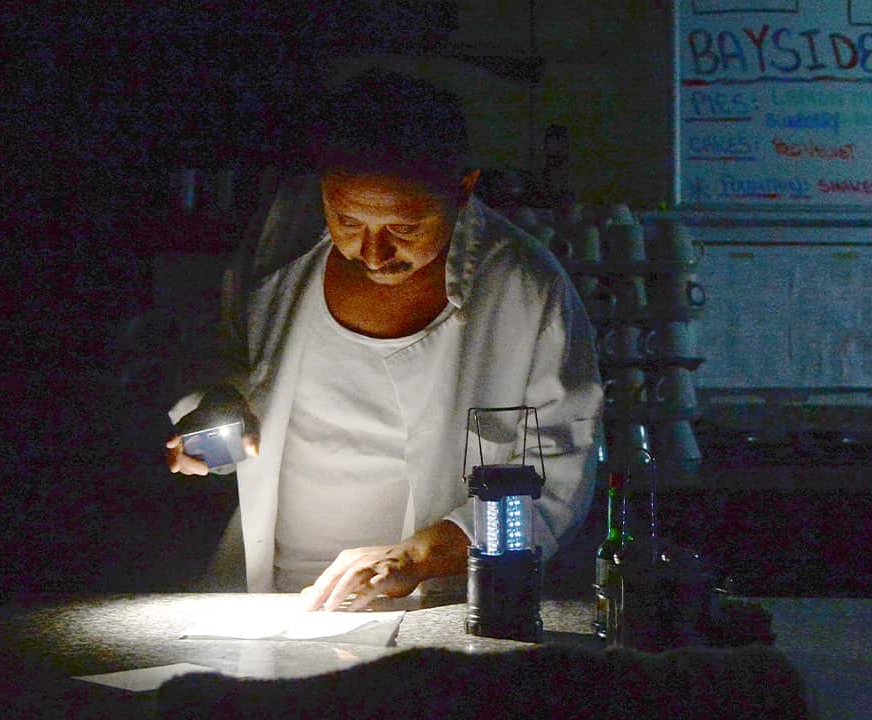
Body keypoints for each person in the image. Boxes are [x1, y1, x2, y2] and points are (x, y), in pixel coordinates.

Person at [163, 69, 602, 611]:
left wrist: (414, 559)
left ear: (463, 189)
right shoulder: (284, 236)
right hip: (279, 598)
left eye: (404, 228)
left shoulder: (524, 287)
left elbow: (556, 479)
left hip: (439, 599)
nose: (372, 253)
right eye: (347, 219)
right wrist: (220, 410)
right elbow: (224, 351)